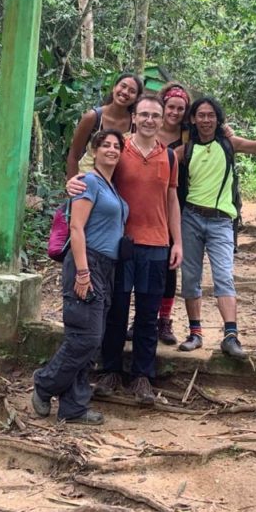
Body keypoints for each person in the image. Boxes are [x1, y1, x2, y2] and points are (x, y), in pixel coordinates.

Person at [66, 94, 183, 405]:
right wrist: (72, 184)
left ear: (162, 120)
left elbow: (172, 200)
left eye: (155, 116)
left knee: (147, 313)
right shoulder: (119, 150)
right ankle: (110, 370)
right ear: (134, 118)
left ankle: (143, 376)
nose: (149, 120)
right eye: (143, 114)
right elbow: (92, 177)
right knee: (115, 310)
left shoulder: (169, 157)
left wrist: (178, 241)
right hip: (121, 244)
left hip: (157, 244)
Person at [176, 96, 256, 359]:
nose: (206, 120)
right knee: (190, 278)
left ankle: (231, 336)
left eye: (211, 115)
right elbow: (157, 166)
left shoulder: (229, 143)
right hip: (191, 219)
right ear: (193, 119)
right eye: (201, 115)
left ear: (218, 119)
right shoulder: (185, 150)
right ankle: (195, 334)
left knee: (224, 276)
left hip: (221, 221)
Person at [33, 130, 129, 425]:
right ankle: (45, 383)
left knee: (89, 338)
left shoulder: (110, 187)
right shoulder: (88, 182)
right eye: (106, 146)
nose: (112, 150)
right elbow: (77, 228)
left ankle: (73, 406)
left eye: (117, 146)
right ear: (94, 151)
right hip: (87, 263)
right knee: (85, 337)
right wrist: (84, 272)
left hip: (107, 266)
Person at [154, 83, 192, 345]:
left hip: (175, 202)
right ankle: (141, 318)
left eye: (181, 108)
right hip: (144, 204)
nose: (175, 112)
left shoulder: (190, 135)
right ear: (163, 106)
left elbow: (216, 135)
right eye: (171, 107)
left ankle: (164, 320)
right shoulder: (147, 128)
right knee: (140, 261)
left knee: (169, 263)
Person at [66, 72, 144, 178]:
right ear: (114, 88)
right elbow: (74, 155)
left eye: (132, 91)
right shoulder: (93, 117)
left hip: (116, 185)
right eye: (123, 86)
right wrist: (72, 185)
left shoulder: (134, 123)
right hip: (87, 180)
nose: (125, 92)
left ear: (136, 98)